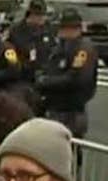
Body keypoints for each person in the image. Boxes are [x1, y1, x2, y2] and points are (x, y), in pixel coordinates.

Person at [35, 8, 97, 138]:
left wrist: (46, 82)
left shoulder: (83, 50)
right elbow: (48, 66)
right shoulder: (60, 47)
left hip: (71, 111)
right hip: (53, 106)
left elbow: (76, 79)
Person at [7, 0, 54, 86]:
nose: (42, 18)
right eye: (39, 15)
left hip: (44, 76)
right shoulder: (17, 31)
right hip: (22, 78)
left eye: (43, 15)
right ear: (31, 15)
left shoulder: (47, 29)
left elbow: (52, 49)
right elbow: (9, 53)